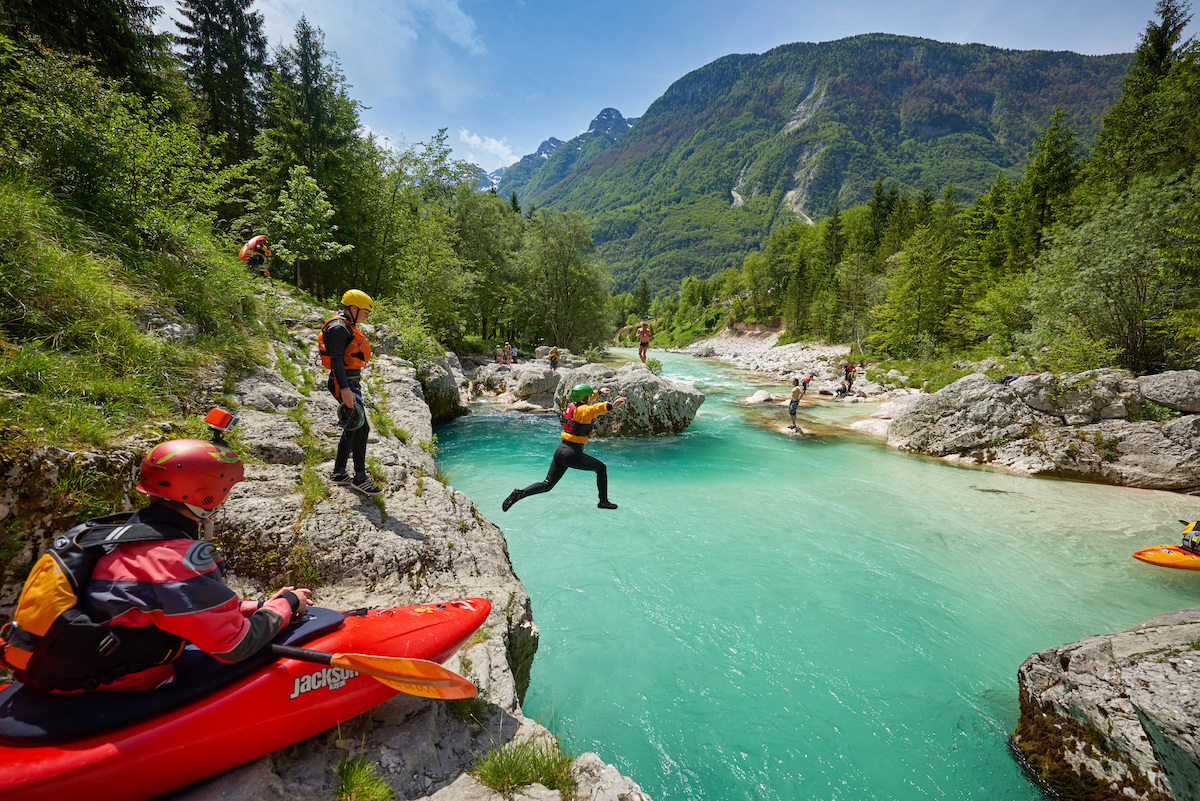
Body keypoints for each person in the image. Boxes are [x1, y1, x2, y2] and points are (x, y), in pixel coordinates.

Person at [10, 438, 311, 692]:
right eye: (226, 489)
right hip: (125, 682)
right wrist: (285, 604)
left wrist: (254, 605)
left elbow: (164, 602)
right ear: (206, 495)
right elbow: (235, 646)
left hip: (68, 657)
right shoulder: (175, 557)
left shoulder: (112, 534)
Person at [503, 384, 626, 512]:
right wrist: (611, 405)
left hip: (561, 450)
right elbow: (595, 409)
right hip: (572, 453)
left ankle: (519, 494)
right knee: (601, 468)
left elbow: (587, 400)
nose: (590, 398)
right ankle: (603, 502)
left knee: (547, 484)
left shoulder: (571, 406)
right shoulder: (583, 410)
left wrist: (599, 392)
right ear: (584, 398)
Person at [317, 289, 382, 496]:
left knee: (353, 426)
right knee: (361, 428)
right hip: (343, 384)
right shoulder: (338, 328)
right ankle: (360, 478)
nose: (366, 316)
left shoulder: (345, 325)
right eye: (365, 312)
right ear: (353, 308)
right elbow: (336, 359)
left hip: (349, 382)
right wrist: (345, 390)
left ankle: (339, 472)